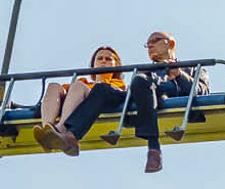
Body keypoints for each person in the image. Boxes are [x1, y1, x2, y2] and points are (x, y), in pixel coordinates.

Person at [56, 30, 201, 174]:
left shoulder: (191, 68)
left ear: (171, 44)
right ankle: (72, 135)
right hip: (138, 96)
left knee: (141, 81)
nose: (150, 45)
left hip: (162, 96)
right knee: (102, 88)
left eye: (155, 40)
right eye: (147, 44)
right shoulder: (145, 72)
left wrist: (178, 75)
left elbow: (200, 90)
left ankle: (154, 148)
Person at [33, 47, 124, 153]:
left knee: (78, 85)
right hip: (79, 97)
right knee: (54, 86)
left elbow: (102, 93)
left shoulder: (117, 85)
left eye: (108, 59)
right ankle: (47, 131)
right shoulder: (84, 81)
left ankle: (61, 127)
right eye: (99, 58)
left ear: (116, 65)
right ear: (93, 64)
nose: (103, 61)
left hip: (97, 100)